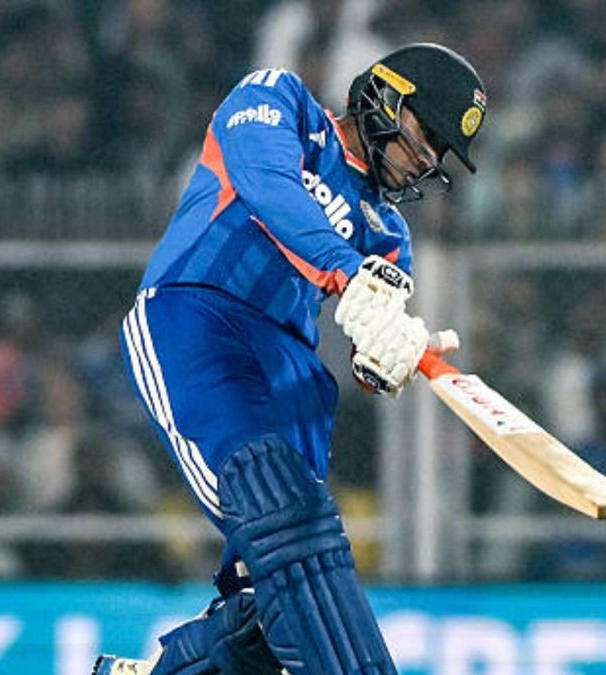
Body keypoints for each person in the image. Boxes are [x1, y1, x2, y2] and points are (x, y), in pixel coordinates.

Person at [94, 42, 487, 674]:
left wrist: (388, 355)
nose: (427, 159)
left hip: (288, 372)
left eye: (441, 152)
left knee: (270, 602)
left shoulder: (388, 233)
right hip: (198, 320)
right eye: (428, 135)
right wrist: (347, 273)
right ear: (386, 98)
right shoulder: (280, 102)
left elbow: (365, 347)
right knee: (286, 518)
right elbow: (265, 183)